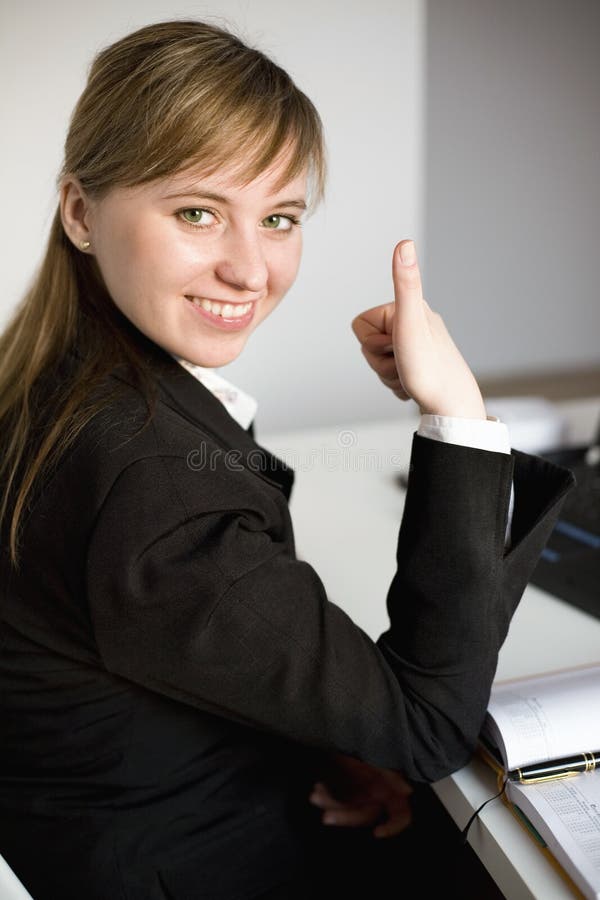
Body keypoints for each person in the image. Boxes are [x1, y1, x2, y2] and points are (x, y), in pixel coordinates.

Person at [0, 18, 574, 900]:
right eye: (198, 212)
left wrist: (322, 734)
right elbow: (425, 726)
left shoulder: (51, 378)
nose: (249, 268)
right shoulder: (152, 488)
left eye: (278, 219)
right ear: (81, 213)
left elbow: (166, 648)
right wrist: (455, 412)